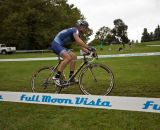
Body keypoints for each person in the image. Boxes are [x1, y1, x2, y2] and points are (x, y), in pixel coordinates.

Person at [51, 20, 95, 85]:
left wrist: (90, 52)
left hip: (61, 46)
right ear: (80, 26)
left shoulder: (77, 34)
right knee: (68, 57)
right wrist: (89, 47)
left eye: (86, 28)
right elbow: (79, 41)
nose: (86, 29)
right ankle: (56, 77)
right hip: (56, 44)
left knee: (74, 56)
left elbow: (81, 46)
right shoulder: (75, 30)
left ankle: (71, 77)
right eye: (85, 27)